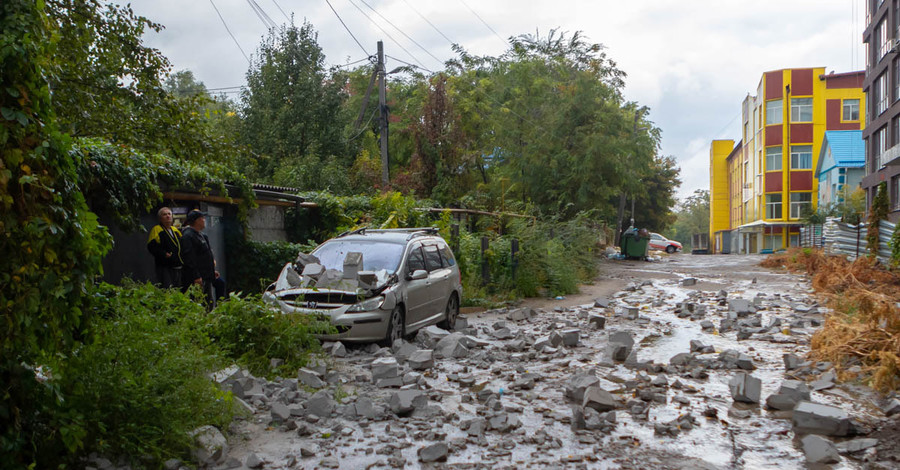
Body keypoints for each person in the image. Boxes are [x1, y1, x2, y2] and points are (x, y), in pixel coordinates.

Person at [181, 210, 219, 309]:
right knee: (199, 303)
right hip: (197, 278)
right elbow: (189, 258)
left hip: (206, 275)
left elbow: (205, 255)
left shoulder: (201, 235)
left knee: (209, 301)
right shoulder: (188, 236)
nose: (204, 220)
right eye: (202, 218)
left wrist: (211, 271)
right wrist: (196, 276)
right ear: (196, 220)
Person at [146, 207, 183, 288]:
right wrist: (163, 254)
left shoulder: (176, 230)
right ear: (160, 218)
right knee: (167, 288)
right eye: (164, 214)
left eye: (169, 214)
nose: (168, 216)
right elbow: (151, 246)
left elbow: (182, 245)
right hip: (165, 266)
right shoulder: (157, 229)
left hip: (178, 265)